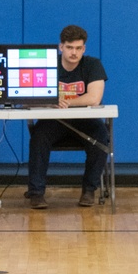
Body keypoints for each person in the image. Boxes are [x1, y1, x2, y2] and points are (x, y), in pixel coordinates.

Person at [25, 25, 109, 209]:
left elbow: (94, 98)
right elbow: (27, 98)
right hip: (55, 121)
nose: (74, 53)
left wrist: (66, 101)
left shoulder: (93, 64)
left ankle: (89, 190)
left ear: (84, 49)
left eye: (78, 48)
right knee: (38, 137)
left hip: (85, 121)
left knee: (101, 136)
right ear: (61, 47)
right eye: (70, 47)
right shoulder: (47, 64)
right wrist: (49, 102)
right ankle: (36, 193)